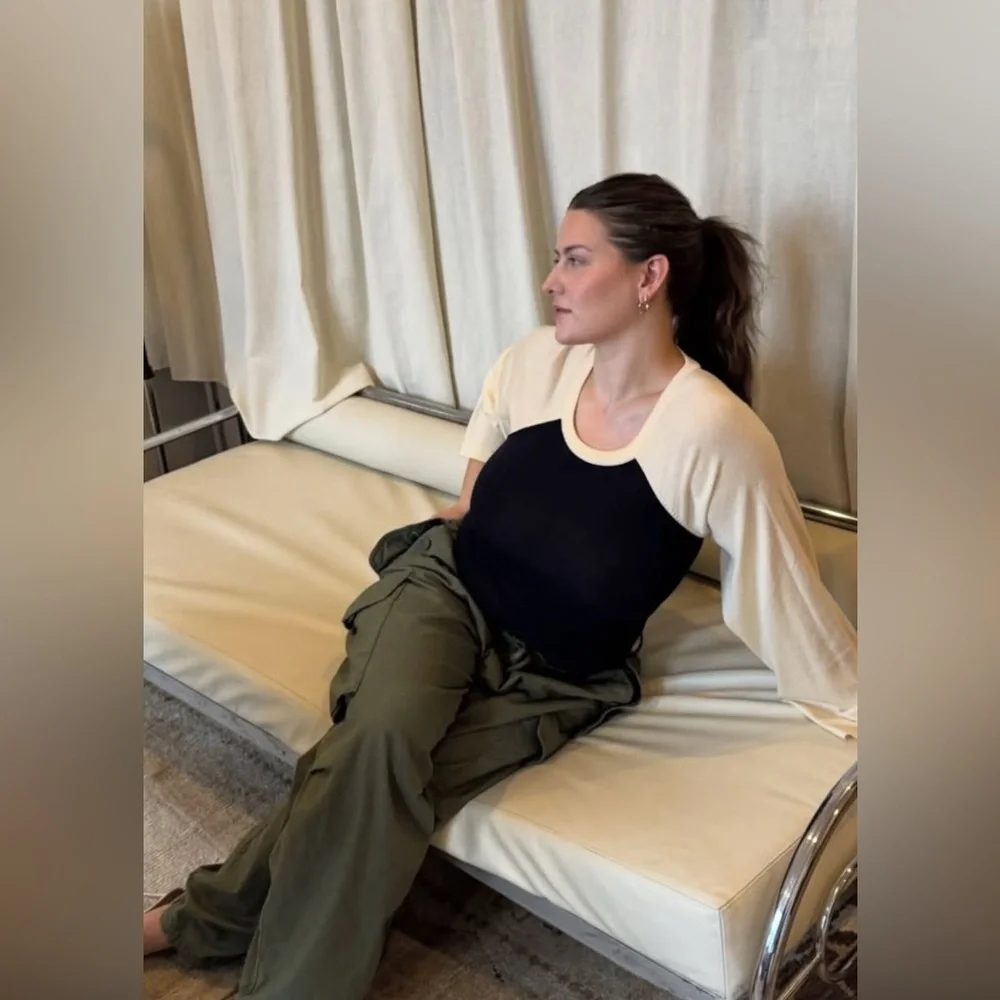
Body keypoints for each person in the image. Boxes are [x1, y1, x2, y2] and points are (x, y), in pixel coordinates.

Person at [142, 172, 858, 998]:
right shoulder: (535, 363)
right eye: (556, 259)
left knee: (374, 781)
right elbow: (476, 481)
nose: (551, 280)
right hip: (447, 589)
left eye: (575, 259)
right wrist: (465, 519)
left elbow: (781, 591)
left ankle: (195, 920)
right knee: (381, 741)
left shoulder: (713, 431)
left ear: (648, 276)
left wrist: (860, 708)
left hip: (563, 674)